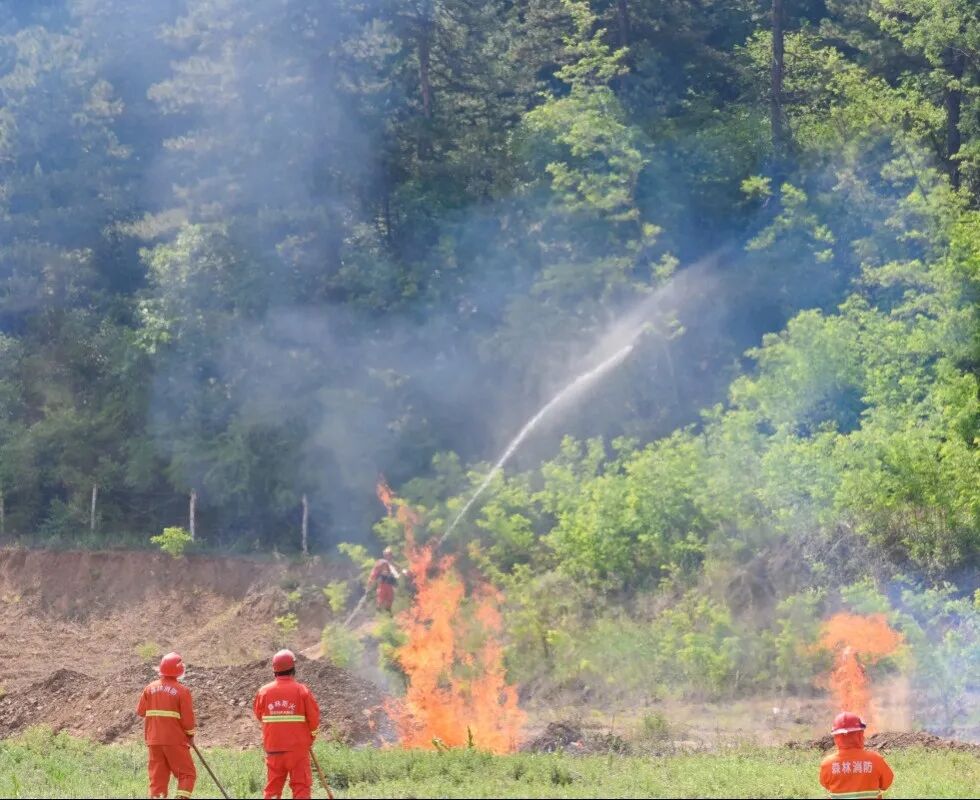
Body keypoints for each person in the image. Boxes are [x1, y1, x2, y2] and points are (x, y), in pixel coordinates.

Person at [253, 649, 321, 799]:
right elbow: (314, 720)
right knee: (301, 787)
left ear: (274, 670)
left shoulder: (263, 692)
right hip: (297, 750)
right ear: (293, 668)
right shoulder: (302, 691)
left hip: (274, 749)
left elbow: (259, 715)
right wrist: (310, 739)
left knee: (273, 789)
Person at [136, 652, 197, 799]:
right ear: (179, 670)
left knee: (158, 780)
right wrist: (190, 735)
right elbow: (188, 719)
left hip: (153, 741)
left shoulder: (149, 688)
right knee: (187, 774)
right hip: (174, 740)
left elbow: (141, 711)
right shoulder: (182, 691)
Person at [819, 712, 894, 799]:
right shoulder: (875, 759)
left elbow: (825, 784)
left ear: (836, 737)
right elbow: (886, 783)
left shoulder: (828, 764)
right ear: (860, 735)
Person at [368, 546, 400, 613]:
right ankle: (379, 609)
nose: (390, 556)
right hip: (382, 583)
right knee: (381, 597)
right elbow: (374, 571)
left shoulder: (393, 563)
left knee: (390, 597)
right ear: (385, 555)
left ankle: (388, 611)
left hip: (389, 583)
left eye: (390, 554)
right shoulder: (381, 562)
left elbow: (397, 571)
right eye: (388, 554)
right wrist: (371, 580)